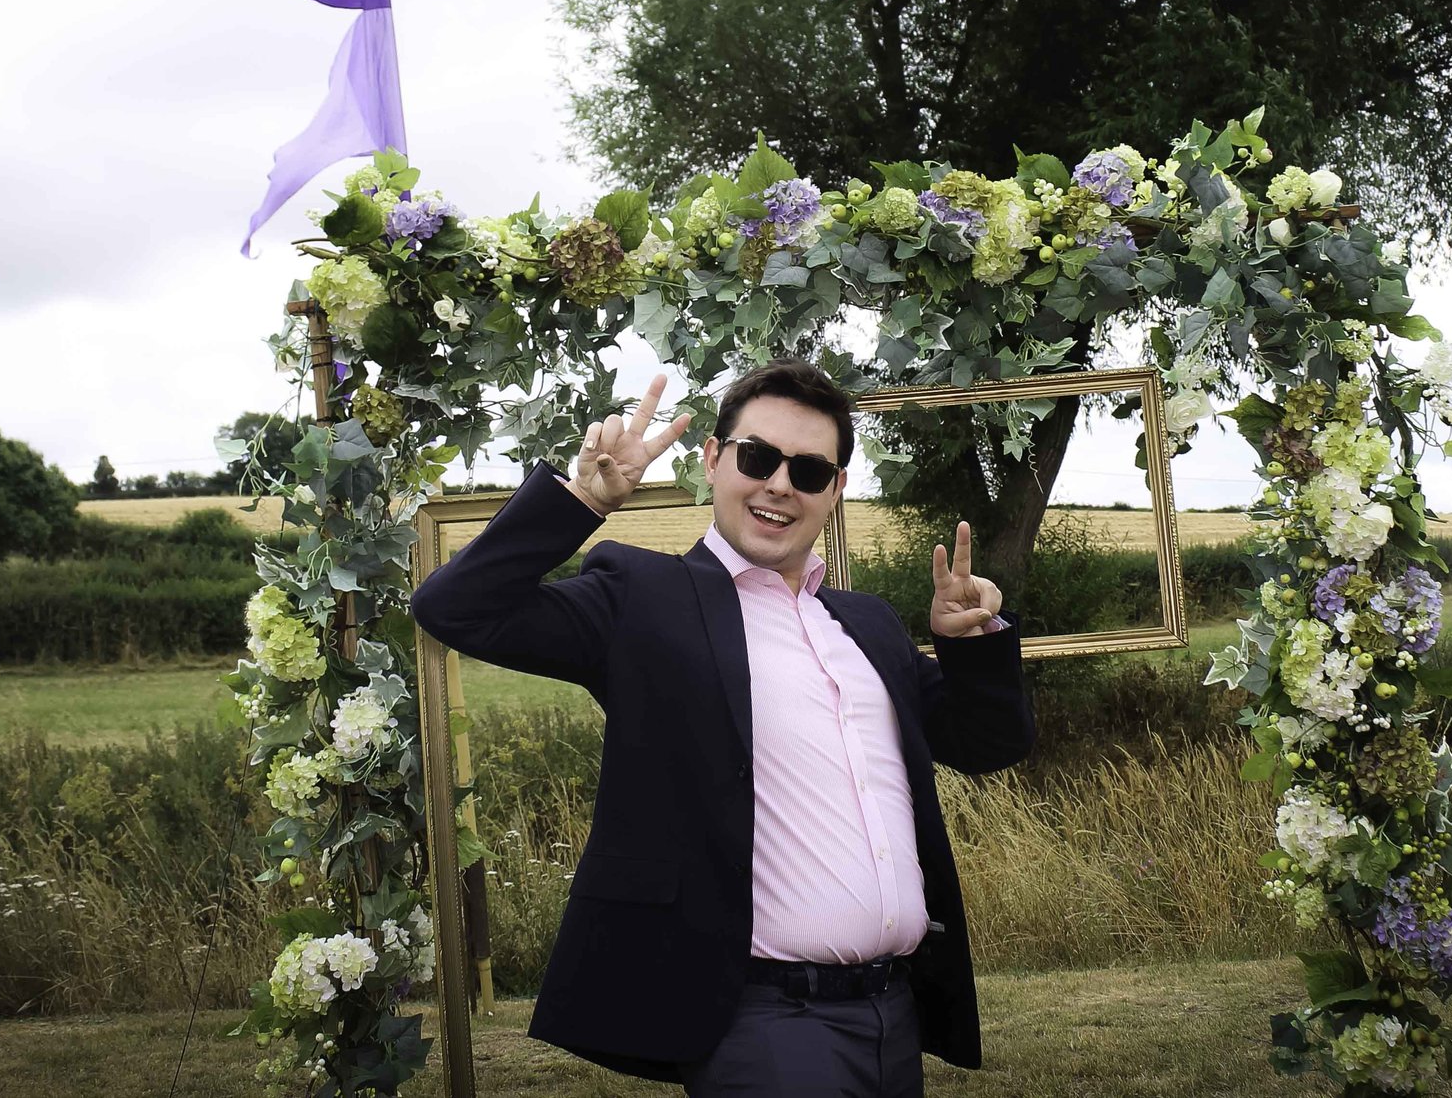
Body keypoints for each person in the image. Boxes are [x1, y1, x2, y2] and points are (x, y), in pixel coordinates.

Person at [409, 358, 1034, 1096]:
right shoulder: (644, 598)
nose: (780, 485)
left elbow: (987, 744)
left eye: (809, 471)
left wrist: (971, 645)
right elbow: (456, 608)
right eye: (758, 457)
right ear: (712, 458)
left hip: (894, 1012)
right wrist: (585, 499)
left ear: (835, 489)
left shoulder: (865, 623)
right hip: (762, 1022)